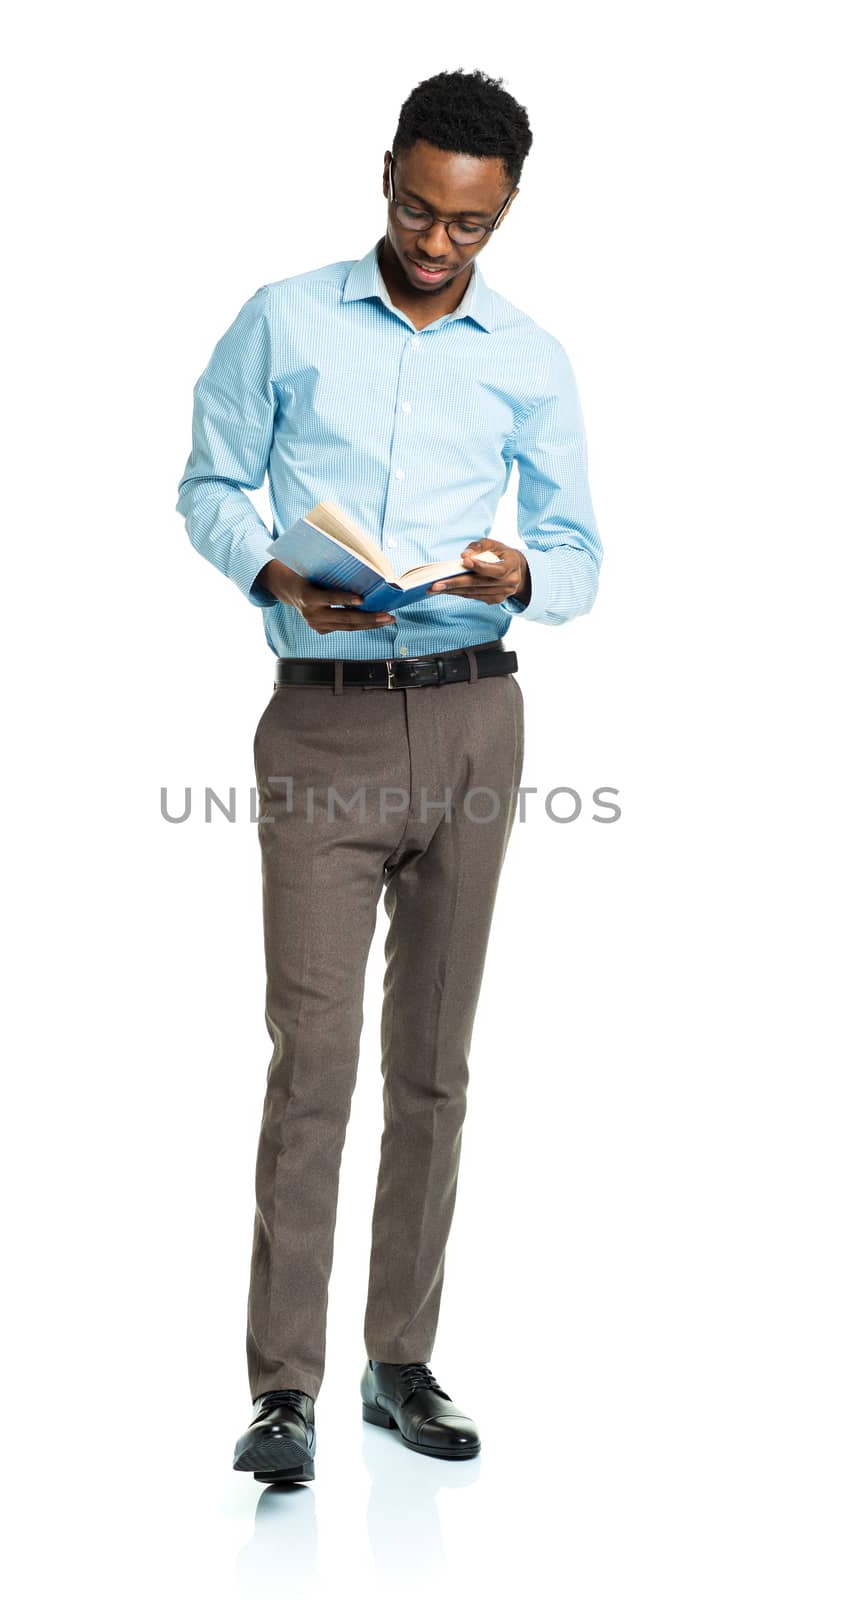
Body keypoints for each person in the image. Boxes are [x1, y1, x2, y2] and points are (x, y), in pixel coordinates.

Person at [175, 68, 602, 1485]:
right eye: (419, 211)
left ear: (506, 211)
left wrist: (518, 569)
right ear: (386, 176)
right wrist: (276, 568)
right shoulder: (285, 317)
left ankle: (398, 1360)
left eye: (467, 226)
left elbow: (579, 555)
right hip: (321, 724)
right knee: (314, 1064)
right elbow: (206, 484)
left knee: (433, 1065)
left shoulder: (528, 357)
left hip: (475, 717)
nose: (435, 243)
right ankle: (281, 1388)